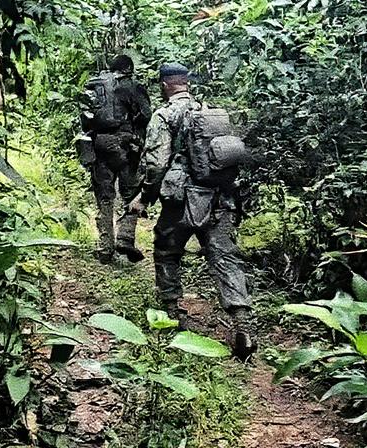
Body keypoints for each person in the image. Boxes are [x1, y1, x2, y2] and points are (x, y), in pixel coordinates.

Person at [130, 62, 256, 360]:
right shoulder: (208, 113)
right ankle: (242, 324)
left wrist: (144, 198)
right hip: (219, 199)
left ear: (164, 86)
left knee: (166, 251)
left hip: (182, 201)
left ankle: (171, 313)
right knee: (225, 258)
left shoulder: (164, 115)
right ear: (187, 82)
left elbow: (156, 164)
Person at [77, 55, 151, 263]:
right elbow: (146, 114)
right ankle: (125, 238)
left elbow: (84, 117)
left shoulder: (93, 84)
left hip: (99, 143)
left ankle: (105, 247)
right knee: (131, 193)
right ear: (128, 68)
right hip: (126, 144)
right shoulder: (131, 85)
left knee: (104, 196)